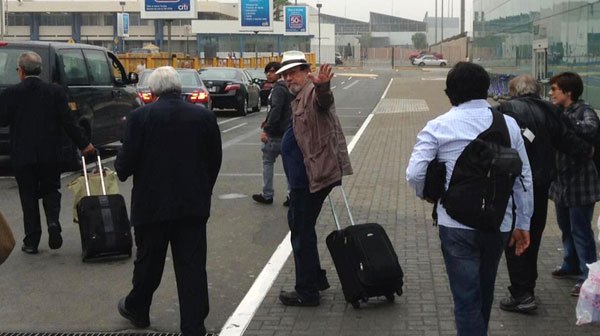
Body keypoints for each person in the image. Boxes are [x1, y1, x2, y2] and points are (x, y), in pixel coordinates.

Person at [406, 62, 533, 336]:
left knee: (466, 299)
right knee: (484, 293)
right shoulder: (509, 125)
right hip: (498, 222)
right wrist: (523, 222)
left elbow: (415, 172)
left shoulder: (438, 126)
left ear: (450, 93)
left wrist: (427, 195)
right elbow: (523, 177)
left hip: (455, 223)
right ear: (485, 90)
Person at [115, 66, 222, 336]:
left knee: (149, 263)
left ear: (152, 91)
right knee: (192, 268)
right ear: (179, 88)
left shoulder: (139, 118)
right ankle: (193, 326)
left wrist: (122, 163)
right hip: (193, 207)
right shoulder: (204, 117)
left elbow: (124, 167)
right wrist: (203, 189)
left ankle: (138, 309)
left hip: (151, 207)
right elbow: (214, 160)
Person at [496, 75, 594, 312]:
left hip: (512, 183)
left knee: (513, 237)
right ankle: (528, 286)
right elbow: (566, 139)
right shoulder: (549, 110)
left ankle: (522, 293)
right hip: (540, 185)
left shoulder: (504, 110)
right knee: (532, 234)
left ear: (514, 91)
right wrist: (587, 152)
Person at [277, 51, 353, 306]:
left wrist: (324, 87)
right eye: (284, 75)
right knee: (302, 230)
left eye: (293, 73)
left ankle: (307, 291)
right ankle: (315, 279)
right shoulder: (298, 97)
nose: (288, 78)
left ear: (305, 71)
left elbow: (325, 101)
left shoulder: (313, 93)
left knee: (301, 233)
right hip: (303, 180)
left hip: (310, 179)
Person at [0, 51, 94, 254]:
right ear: (40, 70)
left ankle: (32, 241)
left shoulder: (10, 94)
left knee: (28, 195)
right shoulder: (55, 92)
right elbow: (68, 122)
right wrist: (84, 144)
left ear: (21, 71)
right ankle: (53, 222)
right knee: (51, 190)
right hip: (50, 153)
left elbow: (3, 120)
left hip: (22, 155)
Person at [548, 71, 600, 296]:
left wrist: (564, 118)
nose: (550, 93)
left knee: (581, 231)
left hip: (581, 183)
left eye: (554, 89)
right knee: (565, 228)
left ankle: (587, 275)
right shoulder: (557, 112)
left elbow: (590, 130)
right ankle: (569, 264)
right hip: (561, 183)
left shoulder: (584, 110)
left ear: (568, 92)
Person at [252, 61, 292, 206]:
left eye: (273, 71)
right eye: (267, 71)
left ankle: (267, 194)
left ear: (279, 72)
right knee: (289, 166)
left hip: (275, 135)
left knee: (268, 162)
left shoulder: (279, 89)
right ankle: (291, 195)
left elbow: (275, 109)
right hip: (286, 132)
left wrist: (266, 130)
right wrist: (267, 120)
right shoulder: (285, 87)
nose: (269, 74)